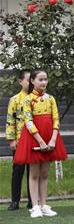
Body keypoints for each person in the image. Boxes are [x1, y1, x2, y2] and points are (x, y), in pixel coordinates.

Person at [13, 69, 68, 218]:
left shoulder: (50, 98)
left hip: (50, 137)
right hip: (34, 138)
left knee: (44, 174)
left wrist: (53, 139)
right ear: (32, 81)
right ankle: (35, 206)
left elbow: (56, 119)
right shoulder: (28, 99)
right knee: (34, 173)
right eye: (40, 80)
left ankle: (44, 204)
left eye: (45, 79)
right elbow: (28, 121)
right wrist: (41, 141)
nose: (43, 82)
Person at [6, 69, 32, 210]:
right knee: (17, 171)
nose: (30, 82)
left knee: (33, 171)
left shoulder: (37, 99)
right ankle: (15, 201)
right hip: (20, 141)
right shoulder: (15, 100)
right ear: (20, 81)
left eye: (32, 79)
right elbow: (10, 121)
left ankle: (32, 200)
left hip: (34, 141)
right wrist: (12, 140)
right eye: (27, 80)